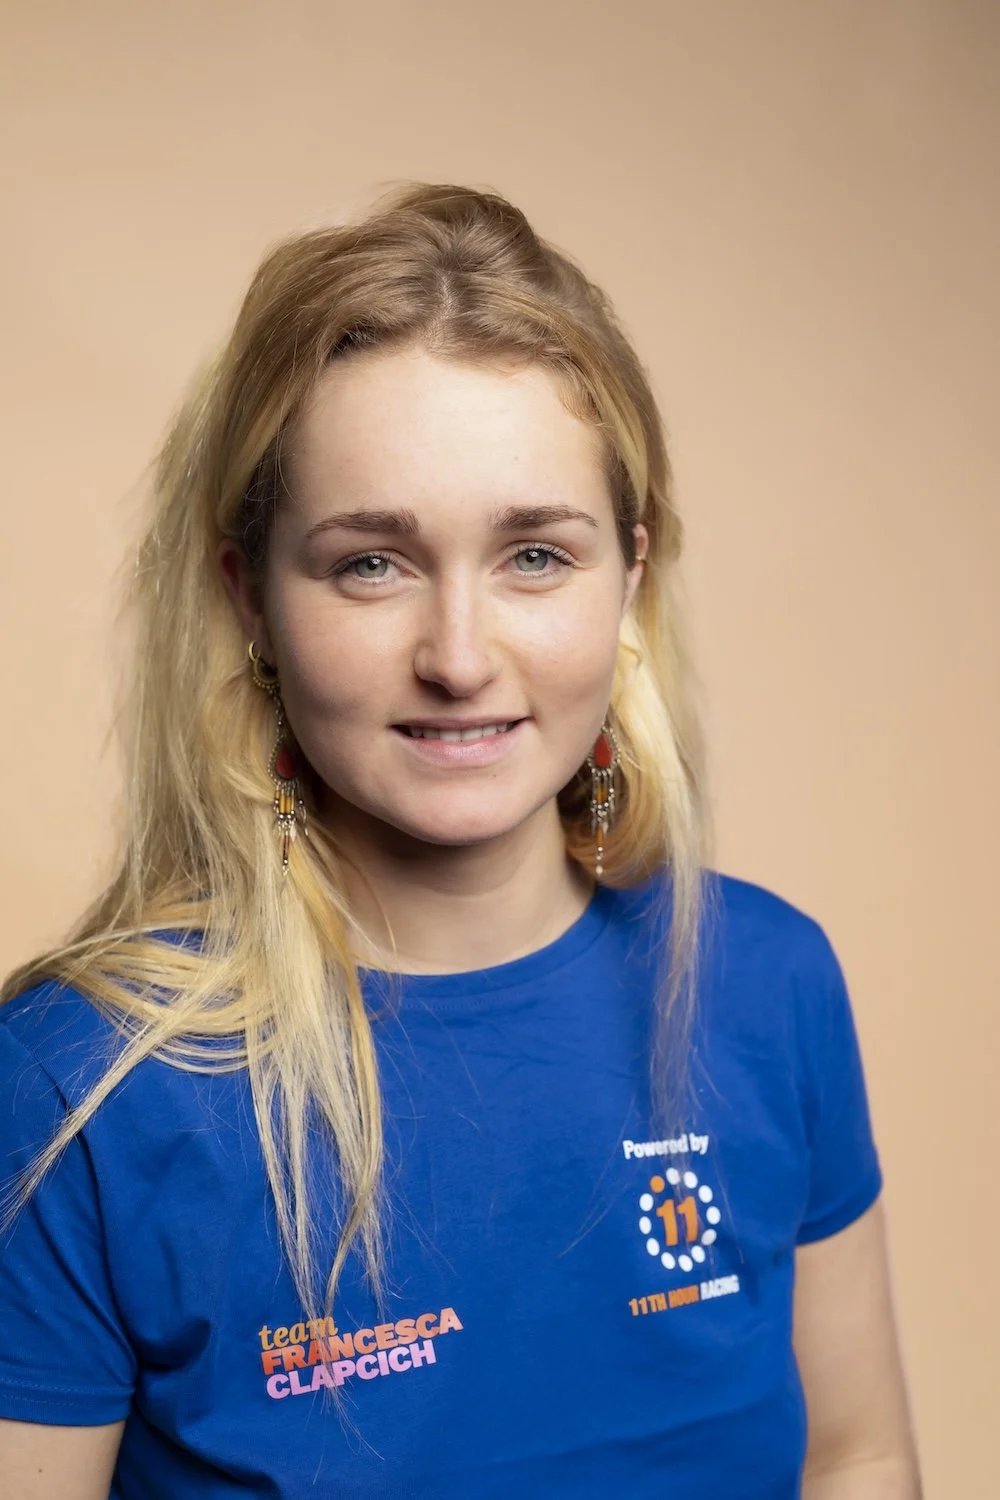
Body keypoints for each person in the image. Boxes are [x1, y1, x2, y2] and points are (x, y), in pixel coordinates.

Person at [0, 182, 921, 1499]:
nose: (459, 655)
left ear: (630, 580)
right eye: (371, 563)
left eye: (535, 555)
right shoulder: (76, 1089)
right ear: (246, 593)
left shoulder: (766, 985)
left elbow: (857, 1457)